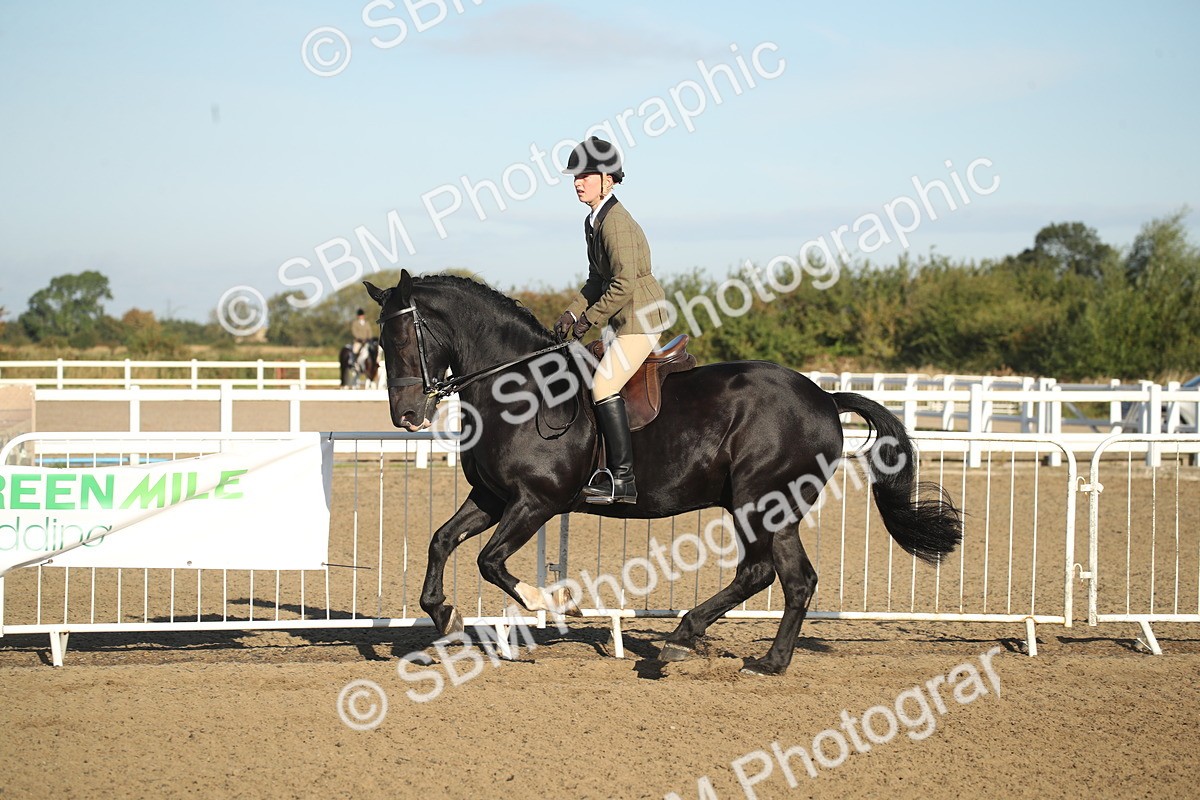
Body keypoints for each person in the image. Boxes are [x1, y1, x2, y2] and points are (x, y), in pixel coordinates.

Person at [554, 137, 669, 505]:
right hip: (623, 319)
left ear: (607, 179)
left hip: (640, 319)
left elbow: (623, 283)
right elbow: (596, 280)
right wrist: (572, 312)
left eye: (585, 176)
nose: (577, 182)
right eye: (575, 177)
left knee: (603, 385)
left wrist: (589, 319)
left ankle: (623, 479)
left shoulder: (615, 222)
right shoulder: (594, 220)